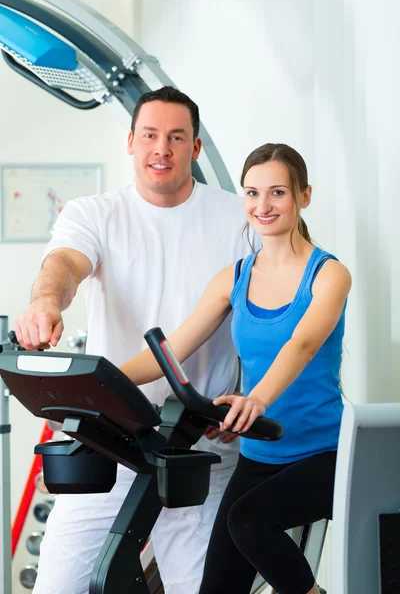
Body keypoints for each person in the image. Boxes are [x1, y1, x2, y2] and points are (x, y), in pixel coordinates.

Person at [14, 86, 257, 594]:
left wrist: (251, 398)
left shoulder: (241, 219)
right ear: (130, 142)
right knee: (58, 585)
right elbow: (64, 265)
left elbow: (276, 318)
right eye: (149, 135)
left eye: (175, 137)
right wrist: (46, 302)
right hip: (113, 436)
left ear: (195, 147)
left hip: (201, 445)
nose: (161, 149)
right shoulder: (94, 213)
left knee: (203, 587)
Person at [120, 142, 352, 594]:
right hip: (260, 454)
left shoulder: (328, 274)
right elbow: (172, 349)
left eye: (278, 193)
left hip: (326, 454)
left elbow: (302, 345)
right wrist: (97, 381)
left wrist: (256, 399)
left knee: (247, 521)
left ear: (304, 196)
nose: (262, 206)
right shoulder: (235, 277)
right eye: (252, 193)